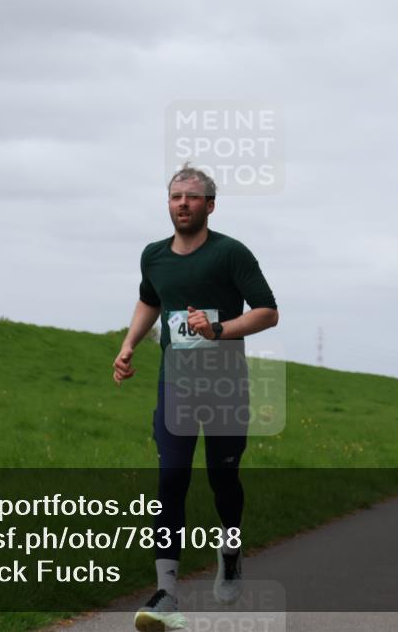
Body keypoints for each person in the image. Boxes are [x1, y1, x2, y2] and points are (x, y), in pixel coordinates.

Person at [113, 163, 279, 631]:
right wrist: (128, 346)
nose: (182, 204)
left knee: (222, 481)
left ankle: (230, 550)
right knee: (170, 481)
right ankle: (167, 592)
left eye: (191, 197)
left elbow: (268, 312)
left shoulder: (231, 254)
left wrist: (220, 329)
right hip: (177, 386)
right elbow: (150, 299)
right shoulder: (154, 256)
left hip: (225, 385)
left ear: (210, 204)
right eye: (174, 197)